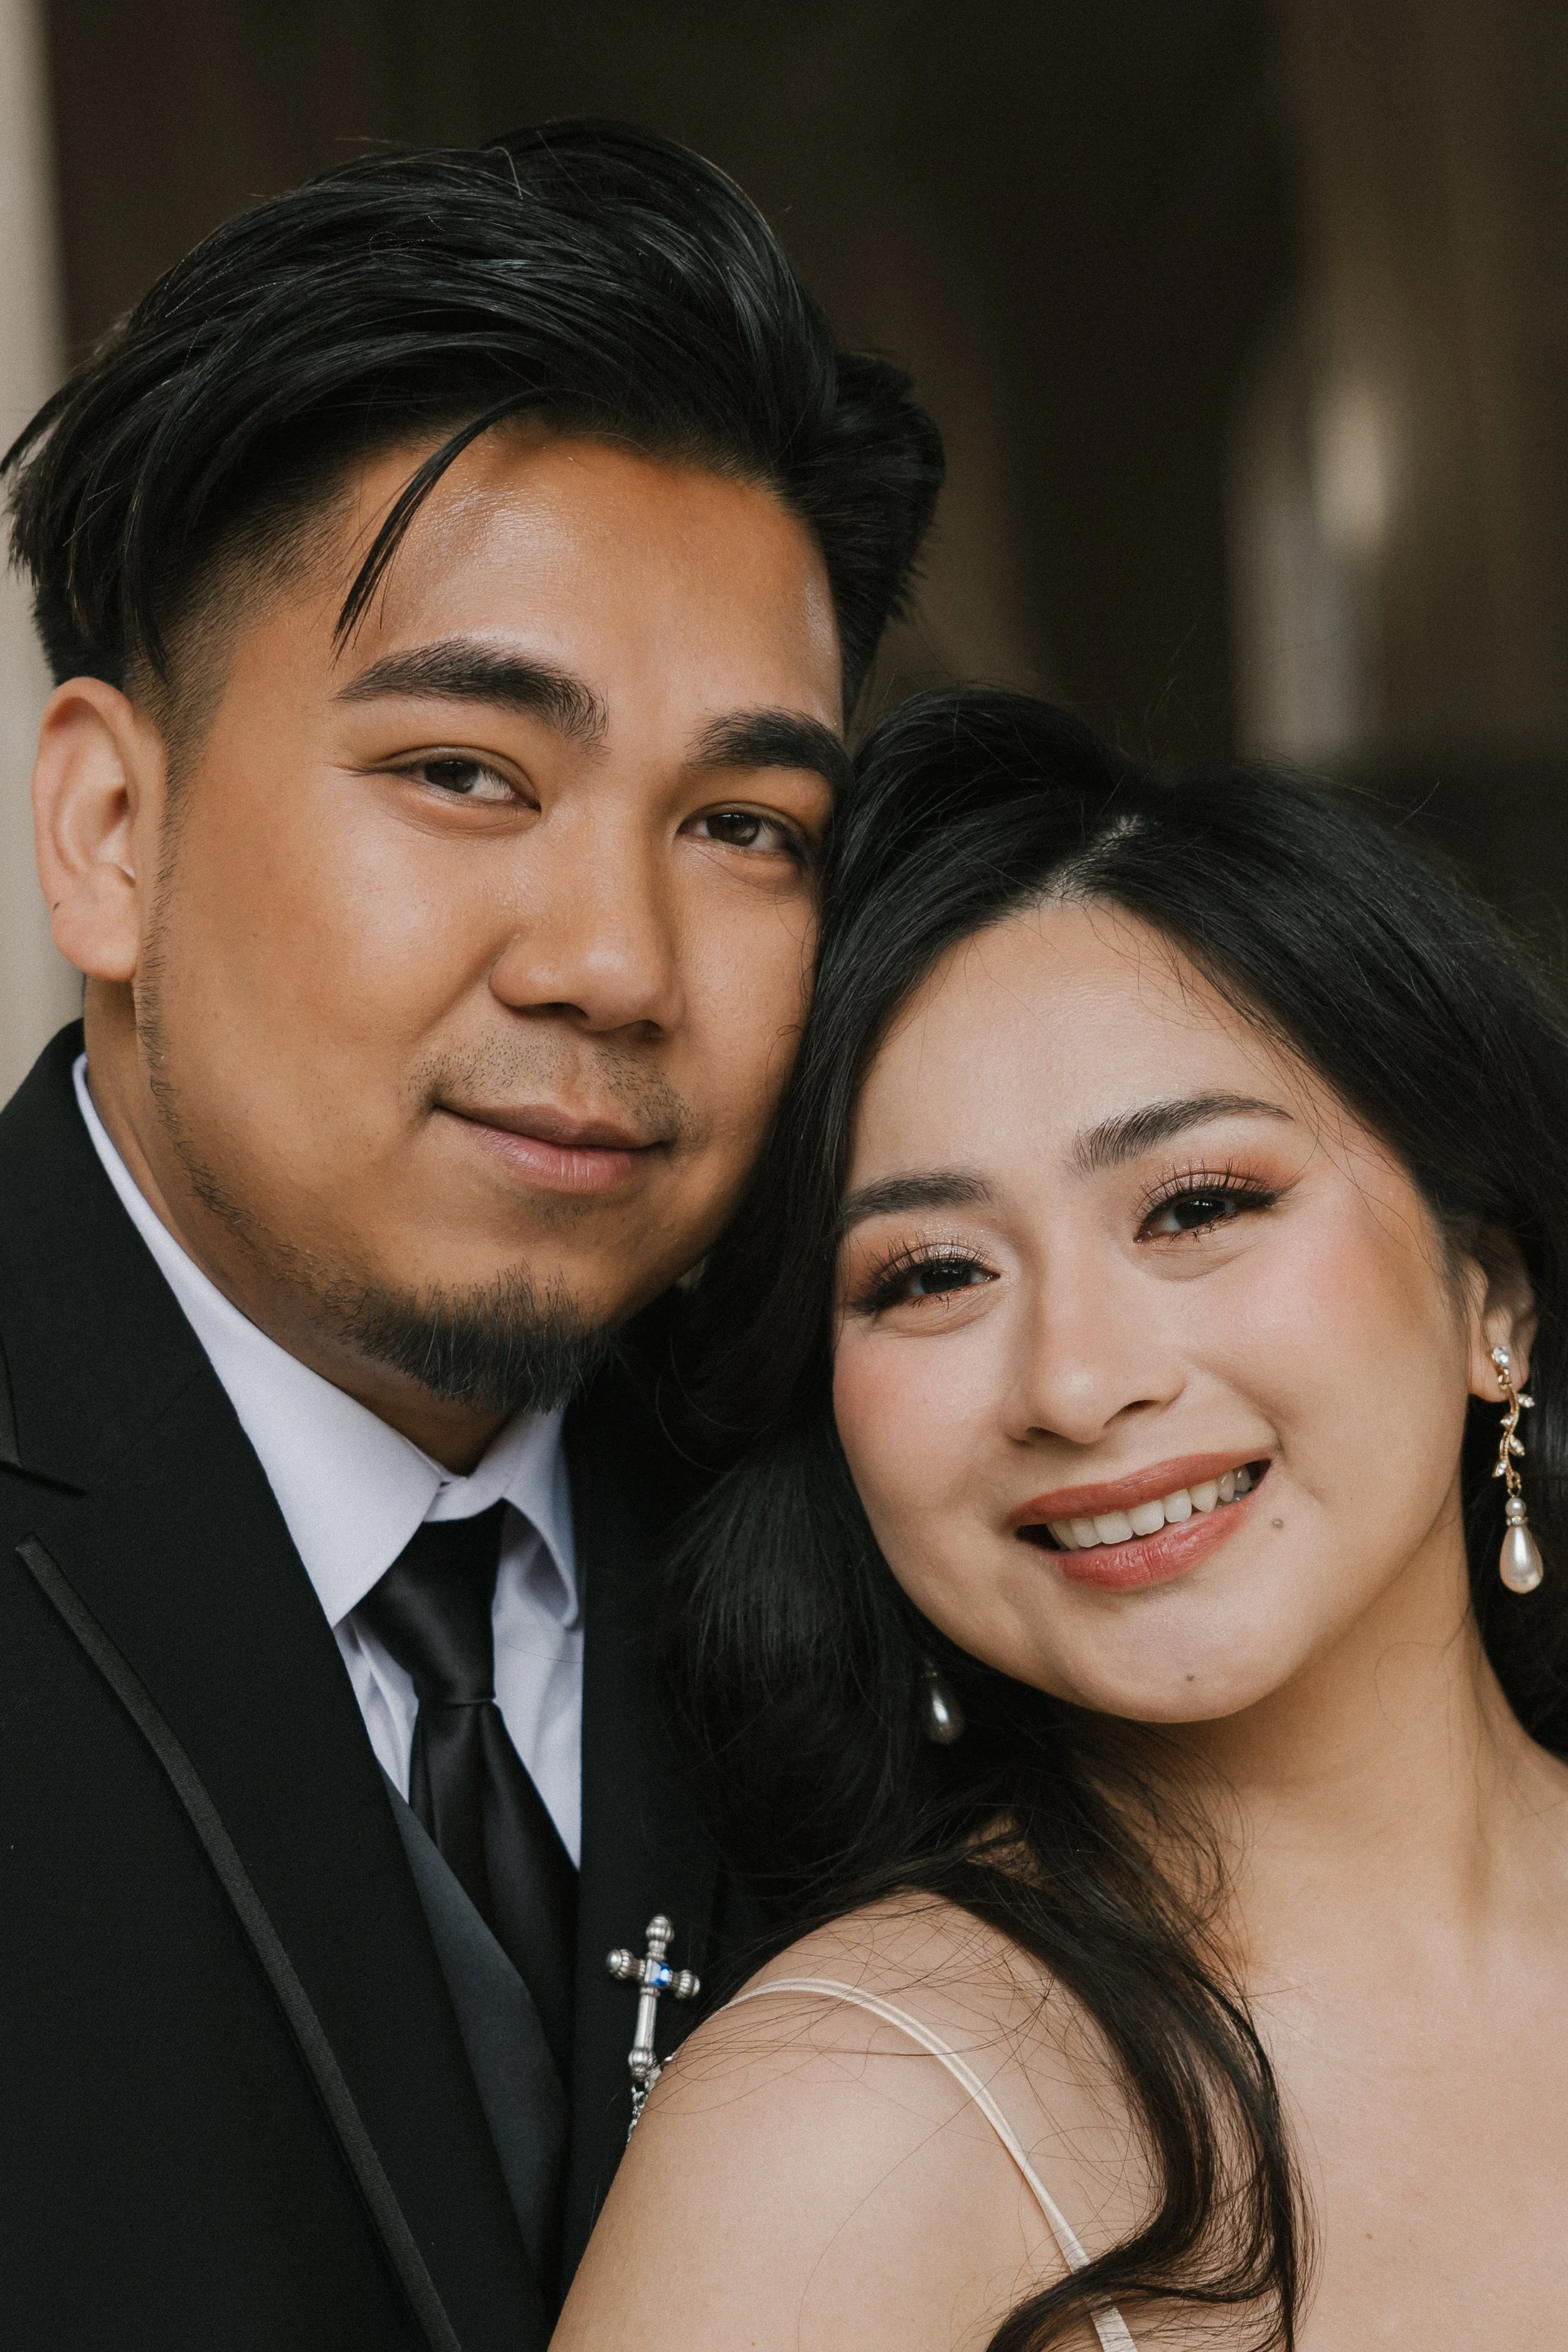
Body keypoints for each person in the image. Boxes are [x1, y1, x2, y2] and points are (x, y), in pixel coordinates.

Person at [0, 123, 941, 2351]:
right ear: (111, 833)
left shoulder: (903, 1520)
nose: (612, 963)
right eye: (464, 774)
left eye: (741, 824)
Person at [555, 688, 1568, 2351]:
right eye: (931, 1272)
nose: (1077, 1381)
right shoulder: (842, 2130)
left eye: (1194, 1205)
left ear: (1493, 1293)